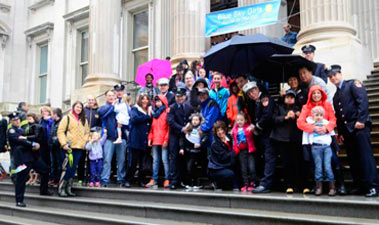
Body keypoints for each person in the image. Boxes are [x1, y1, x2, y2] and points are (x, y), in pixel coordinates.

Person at [328, 65, 379, 197]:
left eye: (334, 75)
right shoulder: (335, 96)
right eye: (330, 76)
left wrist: (361, 120)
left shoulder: (352, 84)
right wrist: (339, 132)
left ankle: (372, 186)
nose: (333, 78)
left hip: (359, 127)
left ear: (340, 74)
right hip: (347, 131)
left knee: (365, 157)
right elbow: (339, 116)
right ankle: (360, 185)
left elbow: (363, 102)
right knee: (353, 159)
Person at [7, 112, 51, 207]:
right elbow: (20, 140)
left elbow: (27, 137)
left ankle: (43, 190)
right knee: (21, 179)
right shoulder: (11, 131)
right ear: (11, 121)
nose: (18, 121)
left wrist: (31, 141)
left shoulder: (22, 129)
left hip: (32, 157)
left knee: (45, 170)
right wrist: (32, 144)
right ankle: (19, 200)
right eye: (15, 120)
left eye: (18, 119)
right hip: (22, 159)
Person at [242, 82, 276, 193]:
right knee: (263, 158)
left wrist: (256, 126)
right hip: (261, 135)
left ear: (257, 89)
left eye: (252, 91)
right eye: (249, 94)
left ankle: (266, 184)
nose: (251, 94)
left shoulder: (265, 98)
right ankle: (264, 182)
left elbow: (267, 115)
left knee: (269, 158)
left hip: (269, 133)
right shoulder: (254, 102)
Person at [270, 90, 304, 194]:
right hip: (282, 139)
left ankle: (299, 185)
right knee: (286, 163)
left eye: (292, 97)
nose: (289, 99)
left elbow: (305, 120)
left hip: (295, 139)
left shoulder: (298, 108)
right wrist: (285, 117)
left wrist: (298, 115)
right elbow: (274, 119)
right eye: (287, 97)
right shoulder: (278, 107)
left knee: (297, 162)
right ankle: (288, 185)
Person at [57, 101, 89, 197]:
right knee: (67, 168)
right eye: (77, 107)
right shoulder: (67, 118)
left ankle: (68, 188)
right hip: (69, 147)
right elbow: (60, 131)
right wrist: (63, 144)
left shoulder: (84, 120)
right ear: (73, 107)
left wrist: (84, 141)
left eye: (80, 107)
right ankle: (61, 188)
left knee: (73, 168)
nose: (78, 109)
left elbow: (87, 132)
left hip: (79, 147)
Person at [302, 106, 336, 196]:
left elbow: (332, 135)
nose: (319, 117)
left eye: (321, 115)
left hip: (327, 147)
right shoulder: (310, 125)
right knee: (318, 167)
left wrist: (336, 147)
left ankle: (332, 187)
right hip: (315, 147)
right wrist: (306, 147)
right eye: (316, 115)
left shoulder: (327, 123)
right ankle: (318, 187)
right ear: (313, 116)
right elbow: (305, 136)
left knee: (328, 166)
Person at [97, 90, 127, 187]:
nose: (111, 97)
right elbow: (101, 113)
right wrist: (113, 106)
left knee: (121, 160)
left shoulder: (122, 106)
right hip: (109, 138)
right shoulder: (103, 107)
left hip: (121, 137)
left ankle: (121, 178)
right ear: (106, 97)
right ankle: (105, 179)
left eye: (112, 95)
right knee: (107, 160)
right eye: (109, 95)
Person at [167, 86, 194, 189]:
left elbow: (191, 119)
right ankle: (173, 180)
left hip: (186, 136)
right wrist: (182, 128)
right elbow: (171, 121)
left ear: (185, 96)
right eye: (177, 96)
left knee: (184, 158)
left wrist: (189, 126)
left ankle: (182, 179)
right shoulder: (172, 107)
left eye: (181, 96)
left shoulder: (189, 107)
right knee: (174, 157)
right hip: (175, 134)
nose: (179, 98)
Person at [126, 93, 152, 187]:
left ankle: (141, 180)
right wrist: (147, 117)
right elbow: (134, 119)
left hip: (144, 141)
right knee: (133, 162)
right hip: (135, 140)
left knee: (142, 163)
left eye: (146, 99)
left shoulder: (150, 111)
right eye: (143, 99)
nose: (144, 101)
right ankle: (129, 180)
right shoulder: (135, 109)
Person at [146, 95, 170, 189]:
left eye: (159, 101)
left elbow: (168, 128)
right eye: (156, 101)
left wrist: (166, 140)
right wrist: (150, 139)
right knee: (155, 161)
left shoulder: (166, 113)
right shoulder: (154, 114)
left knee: (165, 160)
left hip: (163, 140)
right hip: (155, 140)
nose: (158, 103)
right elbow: (152, 128)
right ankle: (154, 178)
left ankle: (167, 178)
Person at [180, 113, 208, 189]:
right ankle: (188, 182)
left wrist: (200, 144)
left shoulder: (201, 129)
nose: (195, 121)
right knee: (188, 167)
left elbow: (205, 138)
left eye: (196, 120)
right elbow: (182, 138)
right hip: (188, 151)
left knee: (196, 168)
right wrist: (181, 148)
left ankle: (196, 183)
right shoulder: (187, 128)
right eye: (193, 120)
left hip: (197, 151)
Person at [208, 121, 236, 190]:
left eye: (221, 129)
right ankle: (217, 184)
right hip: (217, 167)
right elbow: (223, 157)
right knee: (230, 174)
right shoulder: (215, 144)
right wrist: (234, 152)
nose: (220, 132)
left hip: (226, 164)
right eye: (218, 131)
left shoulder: (229, 138)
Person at [232, 112, 256, 192]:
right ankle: (245, 184)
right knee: (243, 169)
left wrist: (252, 128)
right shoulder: (234, 129)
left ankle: (253, 183)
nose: (239, 122)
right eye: (238, 120)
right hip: (241, 151)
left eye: (241, 120)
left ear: (245, 120)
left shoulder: (248, 127)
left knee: (251, 167)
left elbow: (254, 131)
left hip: (249, 150)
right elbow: (235, 141)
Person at [49, 108, 63, 187]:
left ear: (55, 114)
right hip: (52, 146)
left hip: (58, 146)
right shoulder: (54, 123)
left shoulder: (61, 122)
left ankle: (58, 179)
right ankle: (54, 179)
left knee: (58, 163)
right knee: (53, 163)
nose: (51, 116)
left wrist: (55, 141)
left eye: (52, 114)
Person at [39, 106, 54, 175]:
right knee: (42, 159)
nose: (44, 113)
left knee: (50, 159)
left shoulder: (51, 119)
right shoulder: (40, 120)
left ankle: (50, 174)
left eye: (45, 111)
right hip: (42, 142)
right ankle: (43, 174)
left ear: (49, 112)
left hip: (49, 142)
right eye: (42, 111)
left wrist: (48, 120)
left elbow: (52, 126)